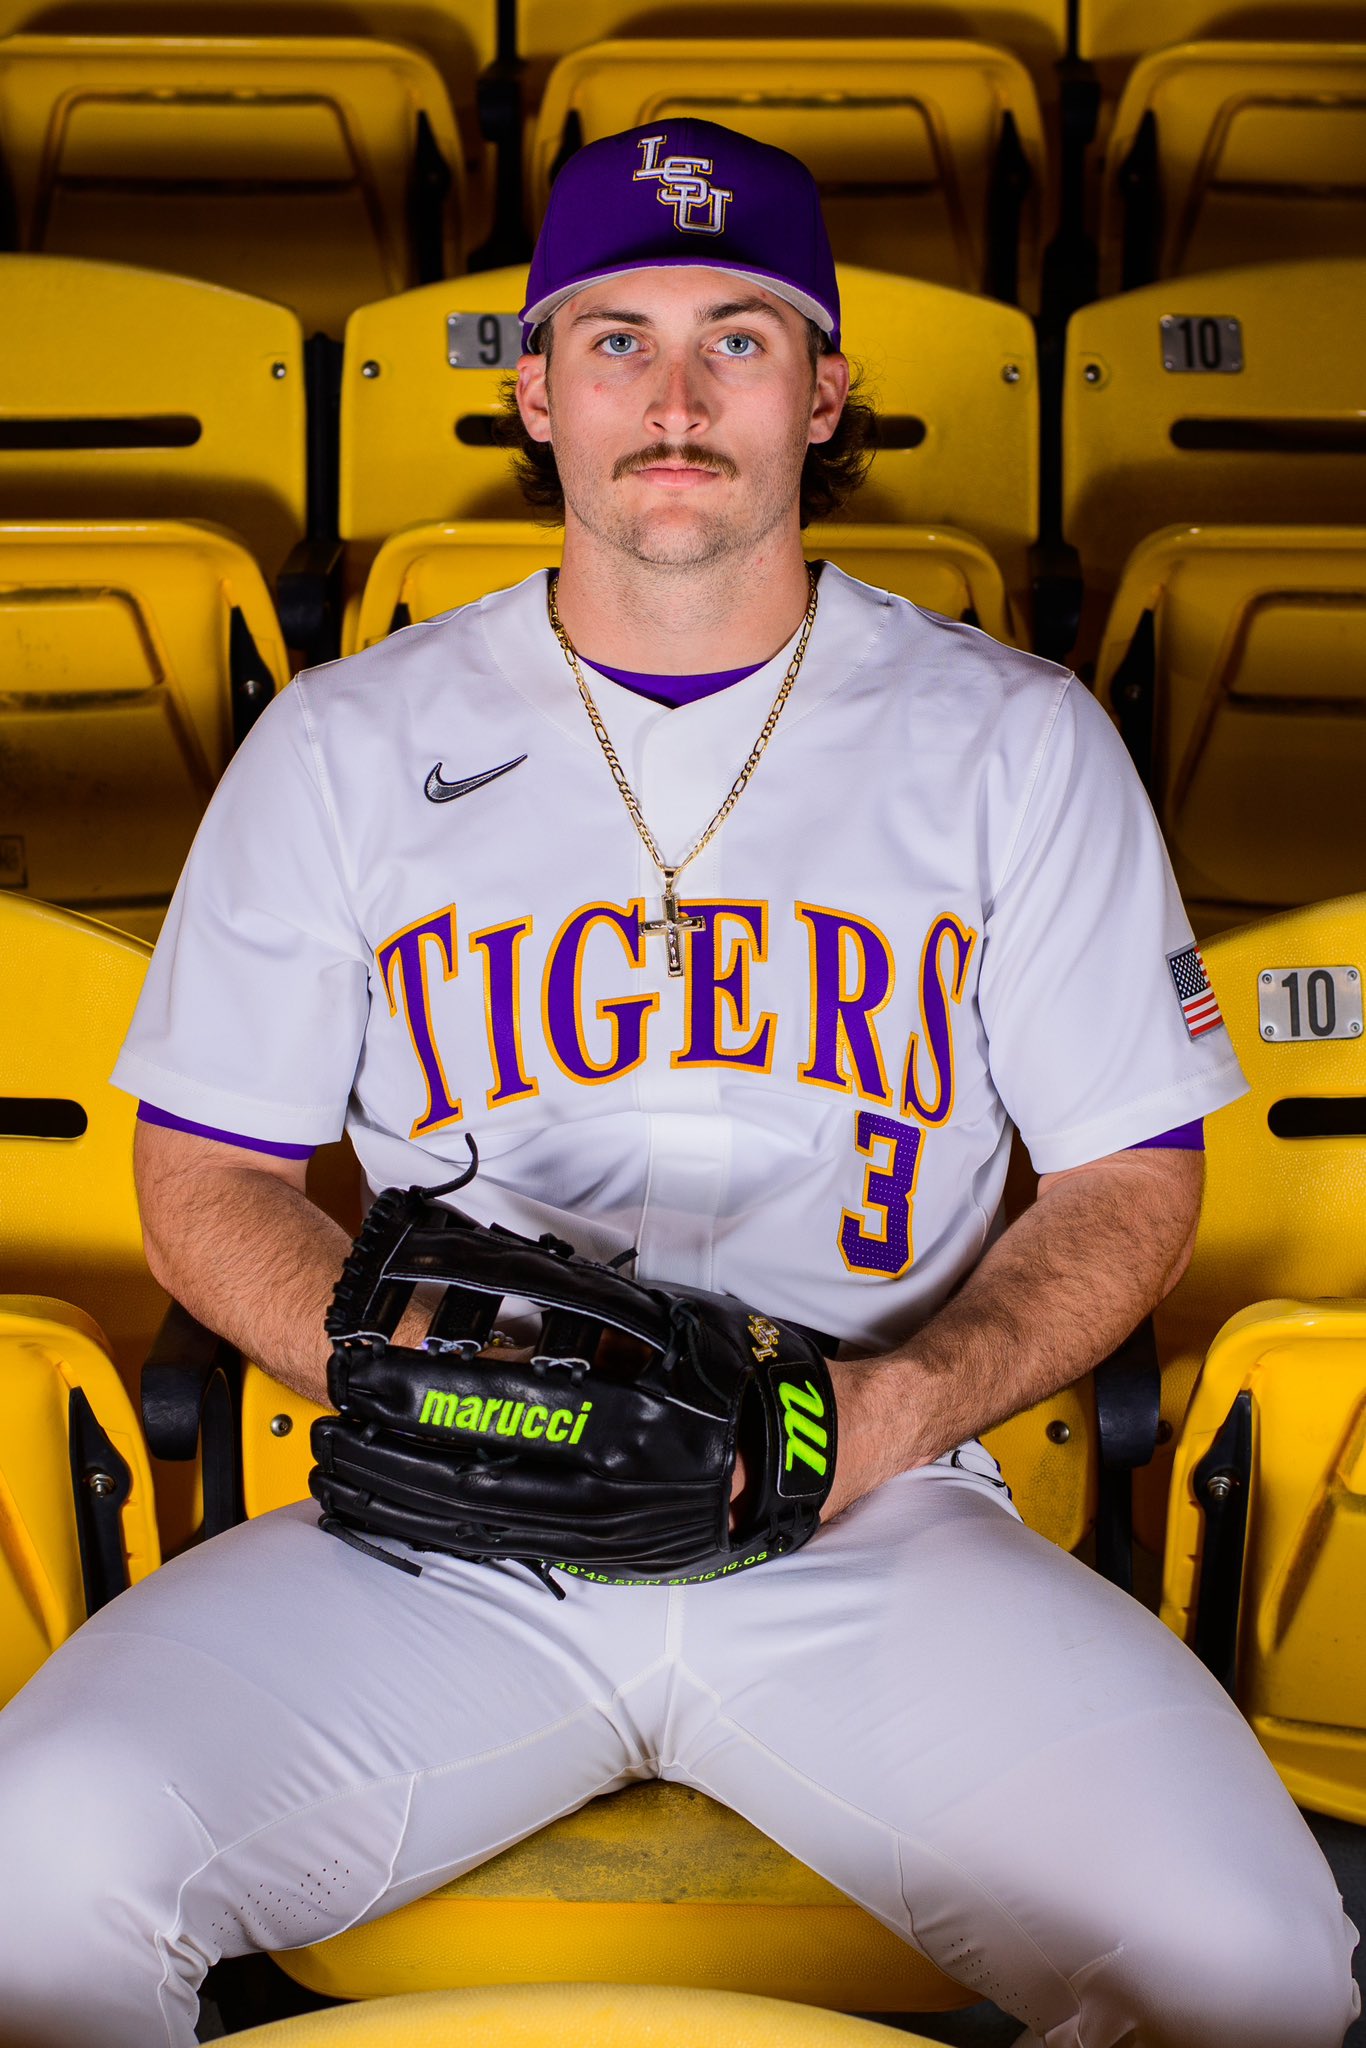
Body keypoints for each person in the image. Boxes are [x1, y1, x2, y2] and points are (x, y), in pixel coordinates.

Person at [0, 120, 1357, 2048]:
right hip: (439, 1544)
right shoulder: (344, 743)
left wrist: (882, 1417)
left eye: (741, 333)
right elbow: (207, 1167)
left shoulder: (1016, 742)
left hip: (864, 1526)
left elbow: (1133, 1183)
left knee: (1256, 1974)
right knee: (24, 1870)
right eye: (617, 337)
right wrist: (413, 1388)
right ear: (533, 389)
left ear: (826, 392)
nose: (677, 391)